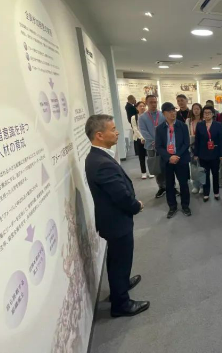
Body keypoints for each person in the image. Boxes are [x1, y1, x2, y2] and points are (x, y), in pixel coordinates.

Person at [84, 115, 149, 317]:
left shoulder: (98, 156)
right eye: (113, 129)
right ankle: (121, 304)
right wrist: (136, 206)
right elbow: (120, 195)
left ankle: (120, 286)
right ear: (99, 135)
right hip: (116, 221)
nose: (117, 132)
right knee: (120, 259)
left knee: (117, 258)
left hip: (112, 220)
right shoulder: (101, 162)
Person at [155, 102, 191, 218]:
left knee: (184, 184)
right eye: (170, 111)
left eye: (174, 111)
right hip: (167, 161)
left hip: (181, 159)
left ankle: (185, 206)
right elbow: (158, 146)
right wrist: (169, 157)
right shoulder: (160, 129)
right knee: (169, 185)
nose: (173, 113)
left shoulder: (182, 126)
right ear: (164, 113)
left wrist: (176, 155)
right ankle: (172, 207)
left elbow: (186, 143)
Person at [138, 94, 167, 198]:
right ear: (146, 103)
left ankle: (170, 186)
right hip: (151, 146)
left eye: (155, 102)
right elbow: (143, 131)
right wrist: (154, 141)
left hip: (164, 145)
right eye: (151, 102)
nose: (153, 104)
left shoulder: (162, 115)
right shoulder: (142, 117)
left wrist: (160, 141)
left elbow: (166, 128)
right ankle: (161, 187)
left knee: (167, 166)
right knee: (156, 167)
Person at [194, 106, 222, 202]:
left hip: (215, 154)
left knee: (215, 174)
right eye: (205, 113)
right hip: (203, 154)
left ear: (213, 114)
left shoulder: (218, 125)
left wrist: (221, 154)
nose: (207, 115)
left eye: (209, 113)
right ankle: (206, 193)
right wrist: (196, 154)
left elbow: (221, 140)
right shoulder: (200, 125)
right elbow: (197, 140)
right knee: (205, 175)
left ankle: (216, 192)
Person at [130, 101, 153, 179]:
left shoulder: (149, 116)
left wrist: (147, 137)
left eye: (143, 106)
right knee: (141, 156)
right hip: (139, 139)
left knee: (150, 155)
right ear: (137, 108)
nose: (142, 107)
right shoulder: (134, 117)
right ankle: (143, 172)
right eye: (140, 106)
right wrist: (142, 138)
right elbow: (135, 129)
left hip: (148, 139)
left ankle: (151, 171)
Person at [186, 103, 203, 193]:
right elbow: (186, 133)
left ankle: (202, 185)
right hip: (191, 146)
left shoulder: (203, 120)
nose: (196, 111)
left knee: (202, 167)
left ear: (201, 110)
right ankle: (195, 185)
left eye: (198, 109)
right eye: (194, 109)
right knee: (193, 167)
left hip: (201, 146)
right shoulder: (189, 121)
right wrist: (191, 138)